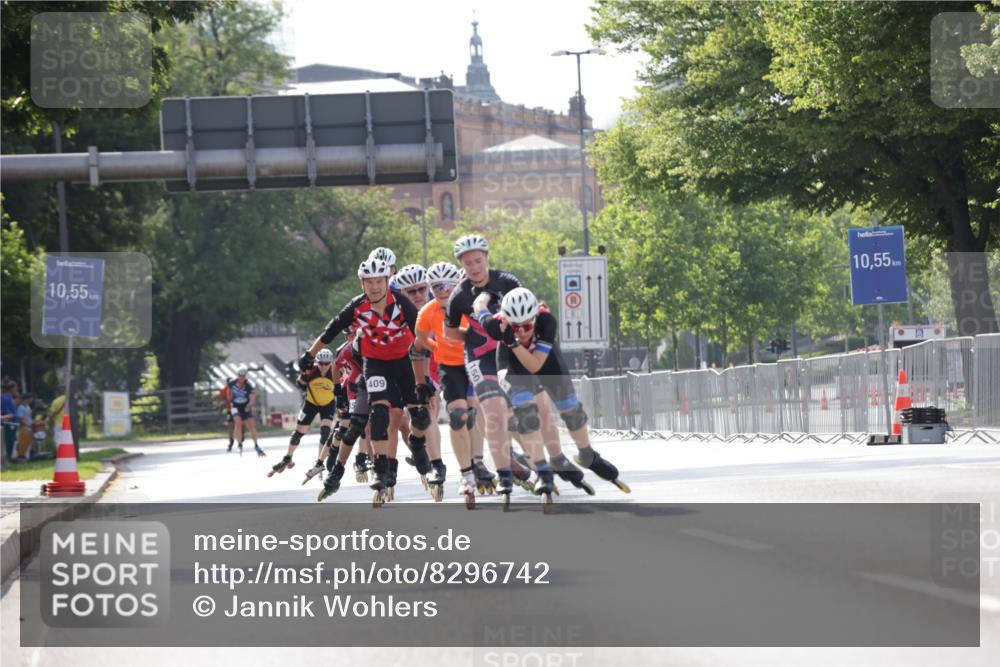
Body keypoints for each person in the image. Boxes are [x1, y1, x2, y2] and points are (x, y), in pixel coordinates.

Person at [477, 287, 631, 507]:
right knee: (527, 416)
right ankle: (542, 470)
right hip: (512, 363)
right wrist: (485, 295)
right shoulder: (497, 325)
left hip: (543, 360)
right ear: (506, 321)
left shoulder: (547, 321)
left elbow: (536, 365)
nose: (521, 331)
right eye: (515, 326)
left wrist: (513, 342)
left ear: (535, 318)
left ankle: (587, 454)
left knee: (572, 411)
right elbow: (479, 308)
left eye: (527, 326)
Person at [303, 256, 429, 506]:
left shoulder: (401, 302)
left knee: (420, 418)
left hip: (403, 362)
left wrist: (427, 374)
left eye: (379, 281)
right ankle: (381, 472)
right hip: (376, 364)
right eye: (368, 282)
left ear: (387, 281)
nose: (374, 287)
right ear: (362, 284)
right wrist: (309, 355)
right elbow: (331, 330)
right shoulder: (356, 306)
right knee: (378, 414)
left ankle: (417, 444)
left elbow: (422, 335)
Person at [445, 234, 524, 497]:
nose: (474, 268)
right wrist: (471, 336)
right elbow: (450, 331)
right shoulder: (459, 295)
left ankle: (515, 456)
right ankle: (497, 471)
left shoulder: (507, 281)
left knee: (515, 413)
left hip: (507, 352)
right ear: (462, 265)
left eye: (478, 261)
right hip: (479, 356)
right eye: (468, 264)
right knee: (492, 410)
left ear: (487, 259)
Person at [415, 261, 483, 504]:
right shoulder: (427, 312)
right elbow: (421, 338)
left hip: (472, 362)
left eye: (447, 286)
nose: (442, 291)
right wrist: (437, 349)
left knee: (473, 409)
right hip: (449, 367)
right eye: (436, 287)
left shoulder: (470, 305)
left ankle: (478, 462)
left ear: (457, 286)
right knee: (457, 417)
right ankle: (465, 474)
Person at [270, 347, 338, 478]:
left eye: (327, 364)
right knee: (297, 434)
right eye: (321, 364)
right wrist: (303, 375)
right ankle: (288, 457)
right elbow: (300, 383)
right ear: (317, 362)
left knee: (325, 432)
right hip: (311, 403)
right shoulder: (311, 370)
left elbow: (343, 386)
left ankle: (319, 463)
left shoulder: (335, 371)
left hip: (328, 404)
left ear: (331, 362)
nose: (324, 367)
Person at [227, 368, 265, 457]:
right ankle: (239, 443)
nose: (241, 378)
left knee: (251, 425)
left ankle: (256, 445)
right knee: (238, 422)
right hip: (235, 406)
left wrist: (248, 406)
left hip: (245, 406)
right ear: (237, 375)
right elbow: (228, 395)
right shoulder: (231, 383)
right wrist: (231, 401)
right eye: (240, 376)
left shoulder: (248, 385)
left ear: (245, 376)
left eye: (243, 376)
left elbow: (252, 399)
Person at [2, 381, 19, 463]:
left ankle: (9, 459)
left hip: (12, 423)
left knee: (12, 443)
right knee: (8, 444)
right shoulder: (5, 398)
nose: (16, 390)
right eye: (16, 388)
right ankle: (7, 459)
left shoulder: (10, 398)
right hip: (8, 424)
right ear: (12, 389)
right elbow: (7, 412)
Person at [15, 392, 34, 461]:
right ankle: (21, 457)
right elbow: (20, 419)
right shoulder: (21, 407)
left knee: (28, 443)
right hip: (23, 428)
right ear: (27, 399)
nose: (32, 400)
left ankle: (26, 457)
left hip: (28, 428)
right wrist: (27, 425)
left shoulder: (28, 407)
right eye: (31, 398)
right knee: (22, 443)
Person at [219, 381, 236, 451]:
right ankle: (231, 441)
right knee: (230, 425)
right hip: (230, 410)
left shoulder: (237, 388)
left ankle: (240, 439)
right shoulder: (225, 389)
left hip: (238, 409)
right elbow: (222, 397)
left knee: (239, 424)